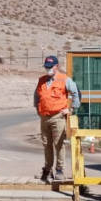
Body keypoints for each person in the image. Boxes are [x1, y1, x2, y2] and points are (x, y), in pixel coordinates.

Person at [34, 55, 80, 183]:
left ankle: (60, 170)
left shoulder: (64, 79)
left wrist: (71, 110)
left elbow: (76, 93)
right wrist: (38, 110)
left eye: (50, 67)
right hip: (44, 117)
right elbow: (37, 96)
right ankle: (48, 170)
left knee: (59, 144)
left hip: (58, 117)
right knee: (46, 144)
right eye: (46, 67)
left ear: (56, 66)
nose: (47, 69)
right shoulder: (41, 80)